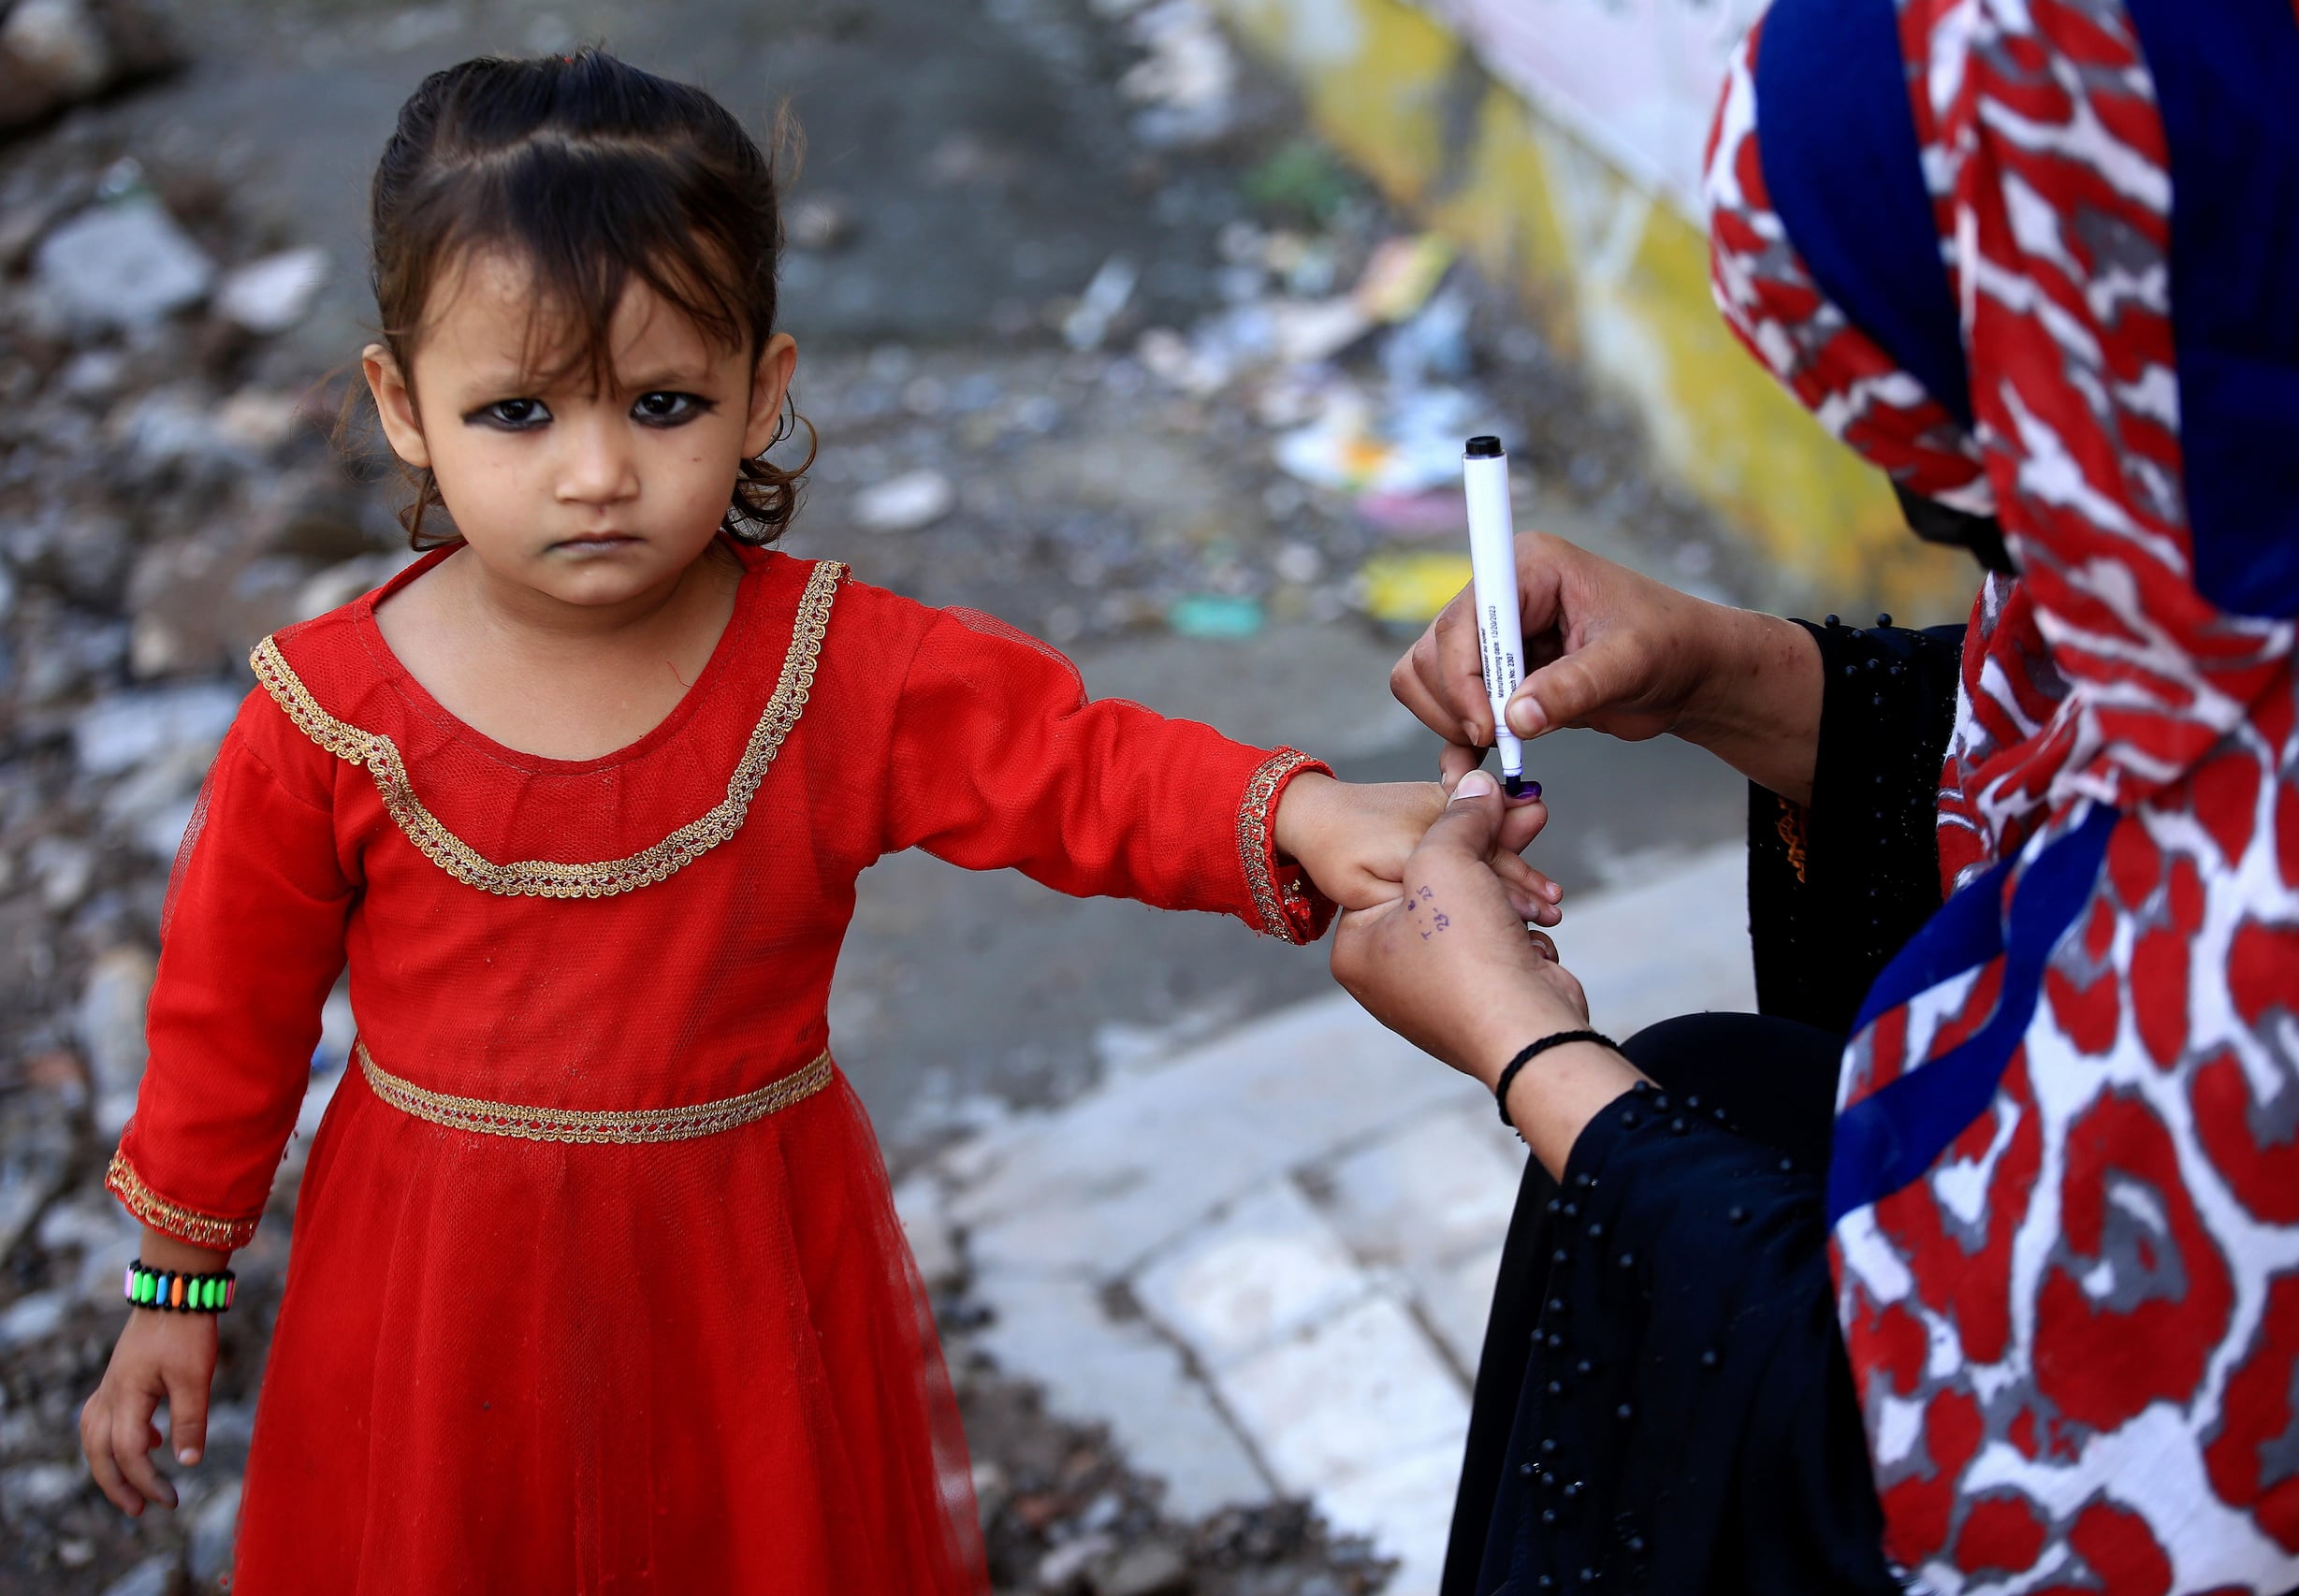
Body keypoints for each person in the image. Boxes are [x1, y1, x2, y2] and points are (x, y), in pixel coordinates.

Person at [71, 51, 1562, 1592]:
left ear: (763, 390)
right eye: (517, 411)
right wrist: (173, 1284)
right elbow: (226, 1015)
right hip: (434, 1291)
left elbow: (1072, 767)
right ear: (403, 406)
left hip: (739, 1277)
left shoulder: (831, 669)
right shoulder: (326, 714)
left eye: (663, 403)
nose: (597, 473)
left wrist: (1301, 810)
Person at [1352, 2, 2299, 1593]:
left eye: (1966, 442)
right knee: (1719, 1090)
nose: (1933, 517)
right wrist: (1722, 671)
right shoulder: (2261, 499)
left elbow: (1936, 1482)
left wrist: (1529, 1051)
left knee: (1664, 1168)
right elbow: (2072, 741)